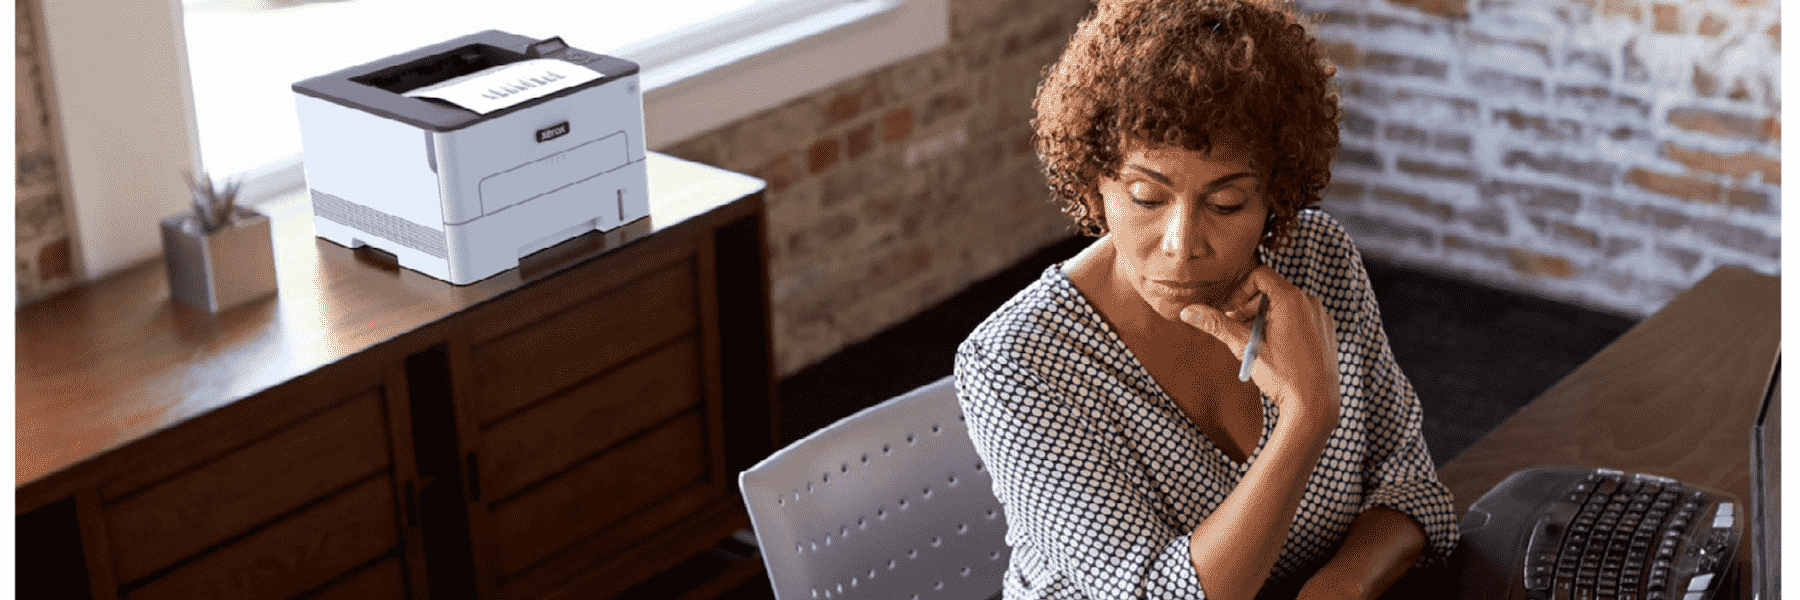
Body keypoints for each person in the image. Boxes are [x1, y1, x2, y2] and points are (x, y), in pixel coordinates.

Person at [953, 0, 1460, 598]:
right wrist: (1305, 419)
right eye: (1146, 196)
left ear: (1276, 195)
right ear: (1097, 183)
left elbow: (1410, 486)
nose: (1182, 245)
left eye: (1227, 204)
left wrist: (1335, 591)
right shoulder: (1016, 362)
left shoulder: (1318, 261)